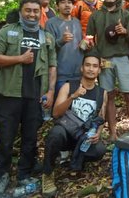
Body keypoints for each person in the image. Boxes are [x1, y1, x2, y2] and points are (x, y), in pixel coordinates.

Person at [0, 0, 57, 194]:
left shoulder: (47, 37)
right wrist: (20, 58)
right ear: (21, 12)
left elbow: (53, 66)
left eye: (35, 11)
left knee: (30, 138)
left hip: (34, 96)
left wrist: (51, 91)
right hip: (8, 94)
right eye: (28, 10)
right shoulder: (8, 31)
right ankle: (1, 174)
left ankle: (24, 174)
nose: (32, 14)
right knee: (5, 137)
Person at [41, 55, 107, 196]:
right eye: (88, 65)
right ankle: (47, 174)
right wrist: (73, 96)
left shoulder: (102, 93)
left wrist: (98, 134)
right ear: (81, 68)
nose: (91, 69)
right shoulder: (69, 86)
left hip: (83, 137)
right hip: (66, 133)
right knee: (55, 134)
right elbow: (56, 113)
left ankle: (76, 158)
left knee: (100, 149)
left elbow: (101, 118)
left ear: (99, 70)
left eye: (95, 66)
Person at [86, 0, 129, 141]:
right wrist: (96, 58)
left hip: (122, 57)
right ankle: (113, 133)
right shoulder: (95, 15)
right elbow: (89, 39)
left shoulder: (125, 14)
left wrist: (125, 32)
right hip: (104, 59)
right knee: (108, 96)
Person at [45, 0, 83, 99]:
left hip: (78, 73)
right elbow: (48, 49)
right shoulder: (51, 23)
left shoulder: (77, 22)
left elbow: (79, 45)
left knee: (76, 108)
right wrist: (61, 41)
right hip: (61, 74)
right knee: (61, 108)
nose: (67, 5)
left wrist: (86, 46)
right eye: (63, 2)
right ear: (57, 6)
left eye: (70, 2)